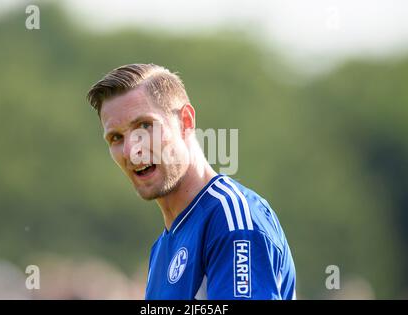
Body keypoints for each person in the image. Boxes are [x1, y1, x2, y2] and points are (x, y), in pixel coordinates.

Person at [86, 63, 296, 300]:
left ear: (185, 121)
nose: (131, 149)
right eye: (116, 137)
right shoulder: (164, 246)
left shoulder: (230, 221)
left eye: (145, 126)